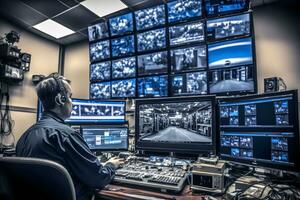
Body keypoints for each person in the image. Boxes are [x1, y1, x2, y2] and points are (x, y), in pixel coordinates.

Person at [16, 73, 124, 200]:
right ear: (60, 100)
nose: (72, 102)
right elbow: (98, 178)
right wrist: (111, 165)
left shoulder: (24, 137)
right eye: (70, 97)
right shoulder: (66, 135)